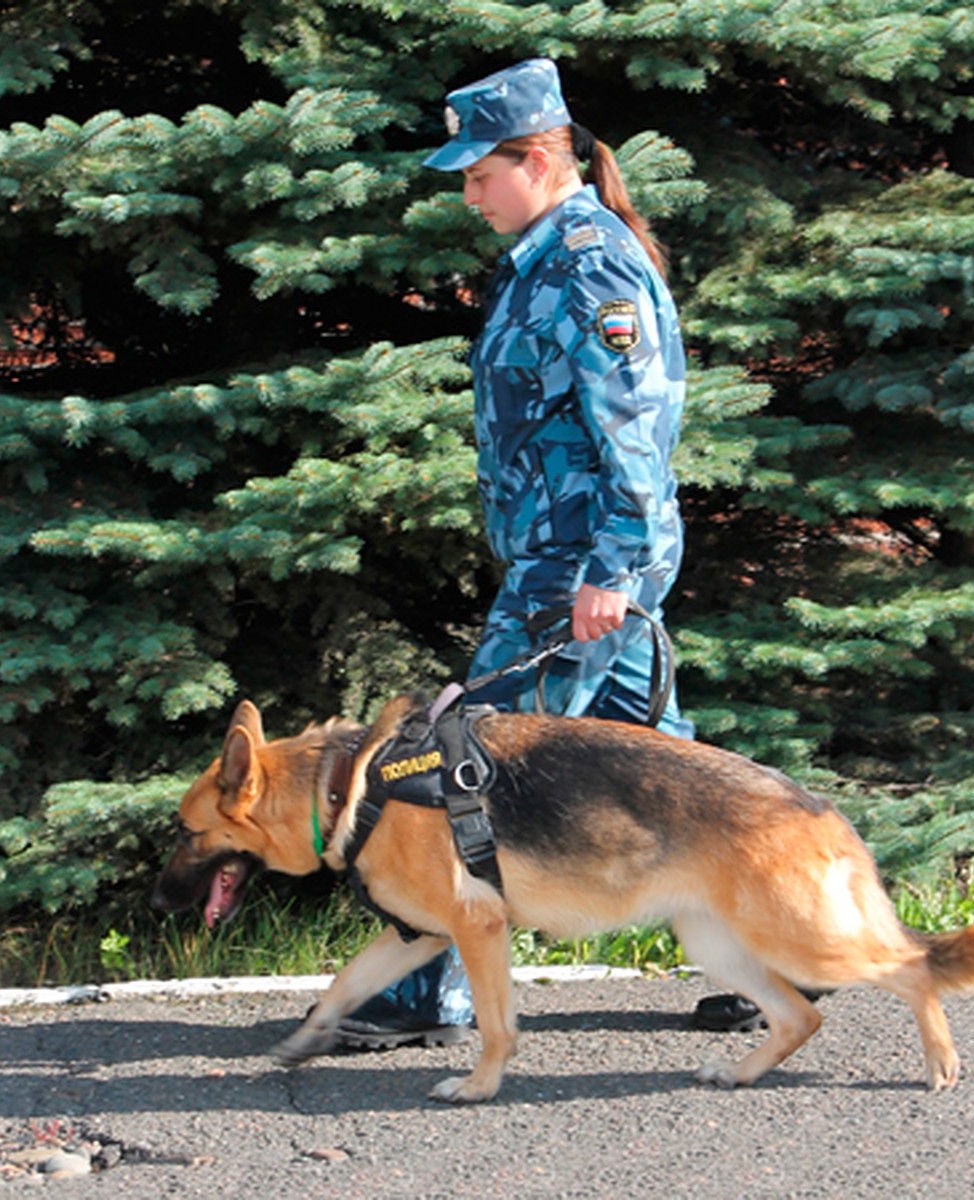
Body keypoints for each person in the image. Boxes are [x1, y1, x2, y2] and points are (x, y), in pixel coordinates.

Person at [333, 57, 760, 1052]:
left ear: (535, 158)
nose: (470, 196)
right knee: (675, 775)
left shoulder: (588, 264)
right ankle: (769, 954)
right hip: (576, 565)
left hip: (576, 573)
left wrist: (611, 573)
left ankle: (424, 989)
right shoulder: (547, 257)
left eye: (480, 175)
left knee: (468, 769)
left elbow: (635, 435)